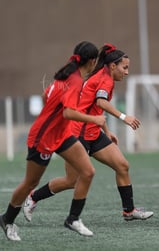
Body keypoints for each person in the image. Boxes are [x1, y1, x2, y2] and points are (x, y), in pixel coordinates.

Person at [23, 43, 153, 224]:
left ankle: (129, 211)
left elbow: (94, 109)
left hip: (93, 133)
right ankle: (33, 197)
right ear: (113, 65)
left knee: (122, 166)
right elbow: (100, 103)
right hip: (77, 135)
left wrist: (106, 132)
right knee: (71, 181)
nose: (126, 72)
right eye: (125, 67)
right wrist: (124, 117)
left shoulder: (104, 77)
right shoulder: (105, 79)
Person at [0, 41, 106, 241]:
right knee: (31, 182)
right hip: (44, 138)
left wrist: (52, 116)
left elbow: (44, 95)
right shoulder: (73, 80)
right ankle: (7, 219)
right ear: (92, 62)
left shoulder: (66, 74)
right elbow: (67, 112)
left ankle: (73, 219)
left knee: (87, 171)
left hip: (61, 135)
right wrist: (95, 119)